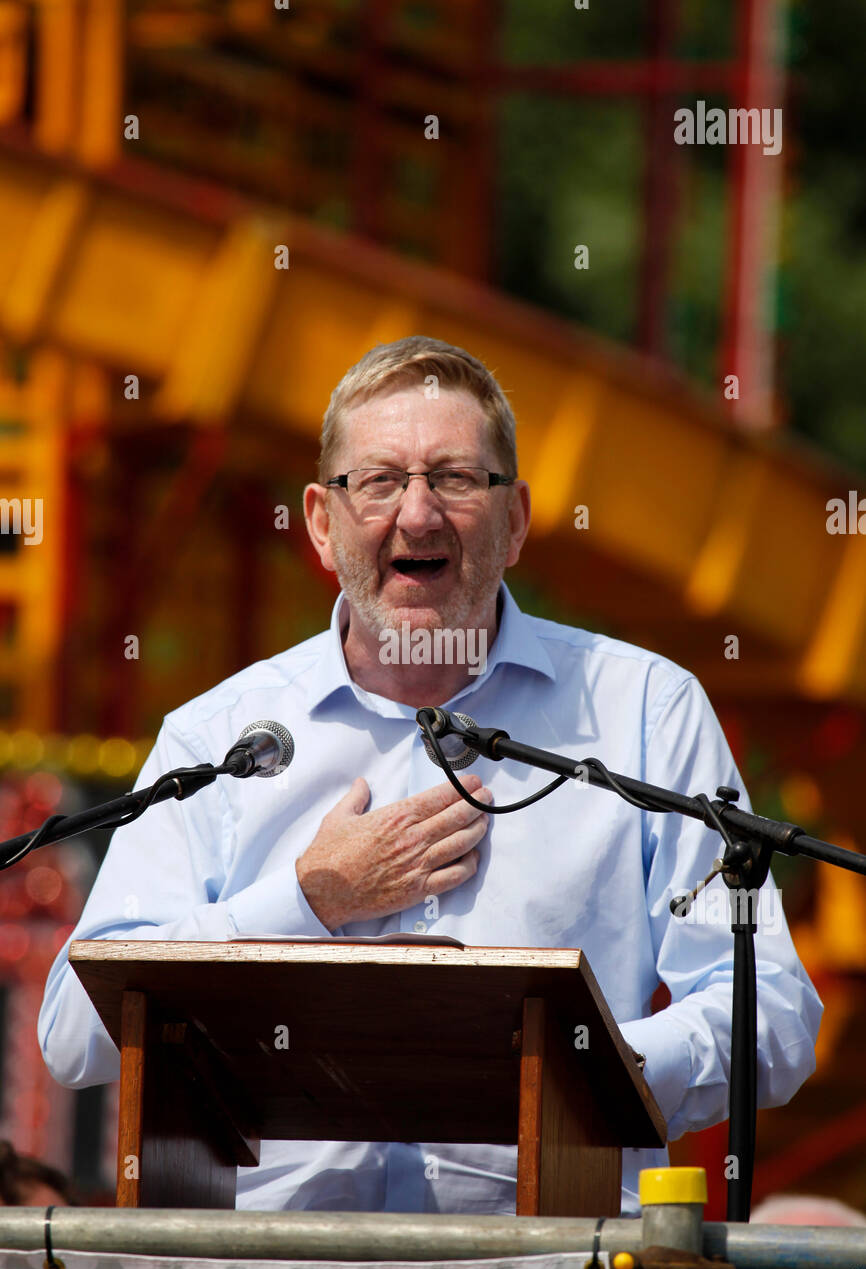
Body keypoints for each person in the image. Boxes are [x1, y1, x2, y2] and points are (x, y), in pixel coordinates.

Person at [37, 336, 822, 1216]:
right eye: (377, 481)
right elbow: (74, 1031)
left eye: (453, 479)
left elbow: (773, 1015)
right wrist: (306, 901)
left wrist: (583, 1068)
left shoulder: (645, 711)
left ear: (517, 519)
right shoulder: (218, 735)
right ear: (321, 524)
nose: (416, 515)